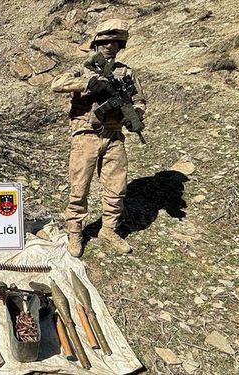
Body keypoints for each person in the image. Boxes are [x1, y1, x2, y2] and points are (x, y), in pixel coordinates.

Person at [51, 19, 146, 257]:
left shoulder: (126, 73)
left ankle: (109, 229)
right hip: (86, 135)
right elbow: (57, 84)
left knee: (116, 188)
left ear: (120, 45)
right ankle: (75, 232)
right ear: (96, 44)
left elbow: (139, 100)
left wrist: (135, 115)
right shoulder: (83, 69)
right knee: (79, 188)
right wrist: (89, 83)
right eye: (104, 41)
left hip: (114, 136)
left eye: (114, 42)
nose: (109, 46)